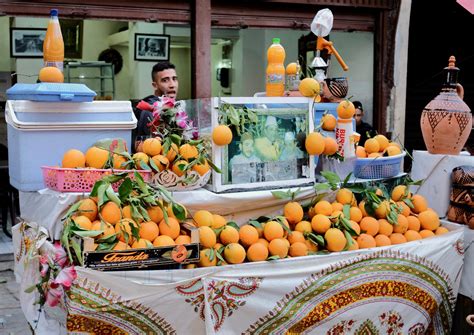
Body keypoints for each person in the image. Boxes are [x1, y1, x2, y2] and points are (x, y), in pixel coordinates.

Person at [134, 62, 179, 146]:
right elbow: (148, 147)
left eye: (174, 79)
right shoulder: (149, 110)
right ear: (155, 85)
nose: (172, 85)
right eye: (165, 80)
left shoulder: (177, 107)